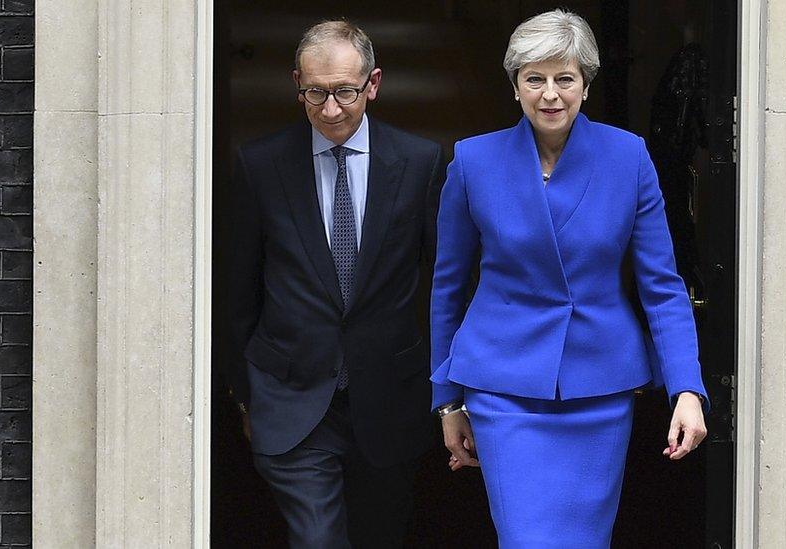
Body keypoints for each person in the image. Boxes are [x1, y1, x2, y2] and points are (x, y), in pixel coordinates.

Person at [430, 9, 708, 548]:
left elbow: (662, 286)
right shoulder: (473, 161)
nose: (550, 94)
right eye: (535, 79)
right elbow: (448, 288)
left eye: (565, 78)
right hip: (501, 390)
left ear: (585, 83)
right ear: (515, 87)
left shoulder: (628, 157)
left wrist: (687, 388)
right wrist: (447, 401)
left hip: (598, 392)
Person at [226, 20, 443, 548]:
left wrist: (444, 392)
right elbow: (237, 291)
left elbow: (445, 285)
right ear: (296, 82)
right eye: (315, 93)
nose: (330, 109)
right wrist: (245, 397)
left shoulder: (420, 163)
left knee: (380, 535)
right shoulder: (260, 165)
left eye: (345, 91)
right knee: (318, 539)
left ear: (373, 83)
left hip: (389, 402)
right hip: (292, 398)